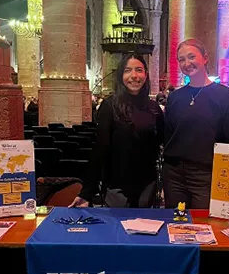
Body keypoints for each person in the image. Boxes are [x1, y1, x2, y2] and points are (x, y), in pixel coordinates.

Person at [69, 53, 164, 208]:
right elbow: (100, 150)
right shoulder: (109, 106)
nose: (134, 76)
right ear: (121, 76)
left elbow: (163, 143)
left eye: (139, 70)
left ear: (146, 75)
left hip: (147, 186)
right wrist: (87, 192)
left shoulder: (154, 109)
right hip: (117, 188)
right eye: (128, 71)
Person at [163, 38, 229, 209]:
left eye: (191, 57)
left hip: (207, 174)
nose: (187, 63)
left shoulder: (226, 96)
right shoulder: (175, 97)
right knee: (177, 224)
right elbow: (168, 137)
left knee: (204, 226)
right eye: (182, 59)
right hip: (174, 175)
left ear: (205, 58)